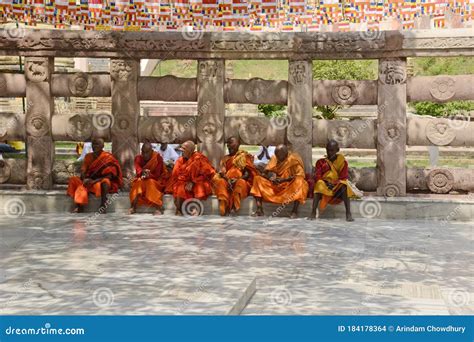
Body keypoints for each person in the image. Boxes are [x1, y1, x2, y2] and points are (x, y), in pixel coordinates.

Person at [250, 144, 308, 218]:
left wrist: (284, 179)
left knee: (301, 182)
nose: (277, 158)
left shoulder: (293, 159)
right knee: (257, 179)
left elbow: (300, 175)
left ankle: (294, 211)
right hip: (275, 185)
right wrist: (270, 178)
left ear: (286, 154)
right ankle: (259, 209)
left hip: (288, 186)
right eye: (276, 155)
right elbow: (264, 173)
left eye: (279, 157)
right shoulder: (275, 157)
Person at [67, 138, 123, 213]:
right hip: (88, 180)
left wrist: (94, 181)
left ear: (102, 146)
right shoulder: (88, 156)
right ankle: (79, 205)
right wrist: (84, 178)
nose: (94, 146)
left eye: (97, 144)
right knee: (73, 180)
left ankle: (103, 206)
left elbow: (110, 175)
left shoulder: (108, 157)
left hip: (99, 182)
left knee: (106, 181)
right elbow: (83, 170)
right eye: (93, 144)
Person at [309, 139, 357, 222]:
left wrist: (334, 183)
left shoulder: (343, 162)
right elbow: (318, 176)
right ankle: (313, 212)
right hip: (324, 187)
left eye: (332, 150)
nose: (329, 153)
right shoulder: (320, 162)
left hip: (336, 187)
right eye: (328, 150)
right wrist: (326, 183)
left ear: (337, 150)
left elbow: (343, 177)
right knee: (319, 184)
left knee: (344, 185)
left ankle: (348, 213)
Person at [213, 136, 257, 216]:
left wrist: (237, 180)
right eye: (228, 144)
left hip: (240, 180)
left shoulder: (243, 156)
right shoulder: (225, 158)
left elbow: (247, 174)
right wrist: (227, 180)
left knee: (241, 183)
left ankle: (234, 207)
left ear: (238, 144)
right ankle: (224, 206)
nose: (229, 146)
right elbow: (222, 172)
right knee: (220, 182)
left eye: (231, 143)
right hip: (227, 180)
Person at [169, 140, 215, 216]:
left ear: (190, 151)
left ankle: (195, 208)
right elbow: (175, 175)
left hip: (198, 181)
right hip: (184, 181)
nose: (181, 152)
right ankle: (179, 209)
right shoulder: (180, 160)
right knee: (179, 186)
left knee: (199, 187)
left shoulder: (199, 158)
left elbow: (206, 173)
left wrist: (193, 182)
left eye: (184, 150)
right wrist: (185, 181)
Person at [129, 142, 169, 215]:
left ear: (151, 151)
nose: (145, 155)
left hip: (155, 180)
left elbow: (157, 175)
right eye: (143, 152)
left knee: (150, 182)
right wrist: (142, 172)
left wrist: (149, 175)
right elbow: (138, 171)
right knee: (138, 182)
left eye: (147, 152)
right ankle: (133, 207)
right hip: (142, 179)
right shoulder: (138, 158)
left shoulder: (157, 158)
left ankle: (158, 207)